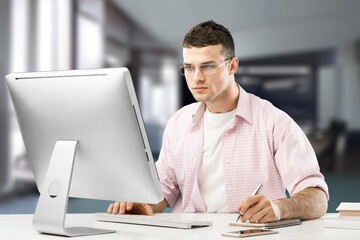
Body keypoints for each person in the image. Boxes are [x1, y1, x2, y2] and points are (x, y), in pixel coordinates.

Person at [108, 20, 329, 223]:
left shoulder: (274, 123)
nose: (196, 78)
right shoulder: (179, 123)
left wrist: (280, 208)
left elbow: (317, 197)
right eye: (189, 67)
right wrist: (144, 204)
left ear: (232, 66)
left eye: (208, 66)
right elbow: (164, 188)